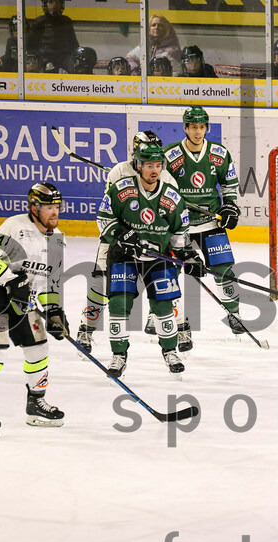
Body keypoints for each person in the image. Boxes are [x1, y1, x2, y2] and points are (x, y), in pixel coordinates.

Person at [0, 182, 69, 437]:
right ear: (34, 208)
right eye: (48, 207)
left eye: (56, 206)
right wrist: (11, 281)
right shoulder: (15, 226)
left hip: (21, 297)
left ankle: (36, 405)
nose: (54, 212)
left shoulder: (57, 239)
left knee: (39, 346)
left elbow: (49, 281)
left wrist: (54, 311)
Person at [78, 131, 191, 355]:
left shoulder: (165, 175)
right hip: (119, 240)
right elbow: (109, 210)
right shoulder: (119, 171)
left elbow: (172, 210)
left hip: (154, 240)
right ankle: (86, 329)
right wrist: (122, 235)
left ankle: (177, 326)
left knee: (167, 284)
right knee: (102, 283)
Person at [97, 141, 204, 377]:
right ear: (138, 165)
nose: (154, 170)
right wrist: (120, 234)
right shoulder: (121, 188)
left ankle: (169, 351)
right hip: (124, 255)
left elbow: (179, 233)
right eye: (148, 165)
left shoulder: (171, 196)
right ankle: (118, 355)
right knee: (118, 303)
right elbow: (104, 218)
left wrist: (189, 256)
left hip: (159, 257)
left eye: (158, 165)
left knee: (163, 305)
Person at [163, 106, 243, 334]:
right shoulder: (171, 155)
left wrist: (229, 206)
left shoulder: (219, 153)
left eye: (201, 127)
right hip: (181, 225)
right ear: (185, 128)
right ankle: (165, 315)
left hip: (211, 222)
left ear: (207, 128)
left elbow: (229, 184)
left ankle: (234, 314)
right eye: (193, 127)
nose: (198, 132)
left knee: (224, 268)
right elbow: (162, 187)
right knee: (169, 270)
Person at [28, 0, 79, 73]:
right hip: (43, 59)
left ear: (61, 4)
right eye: (51, 2)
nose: (54, 5)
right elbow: (30, 46)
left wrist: (77, 57)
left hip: (64, 59)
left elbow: (74, 44)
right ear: (45, 4)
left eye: (57, 2)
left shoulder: (66, 21)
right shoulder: (38, 22)